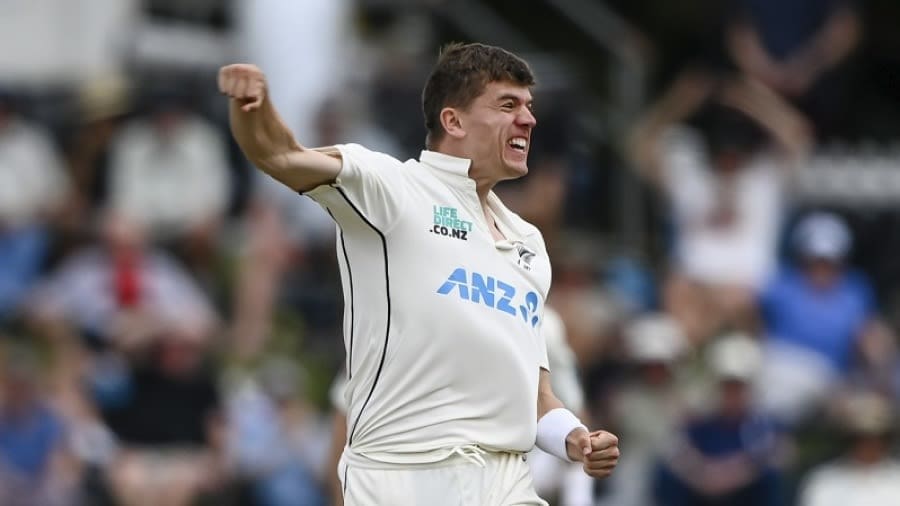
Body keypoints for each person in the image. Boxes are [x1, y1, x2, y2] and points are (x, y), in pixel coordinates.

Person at [219, 42, 619, 505]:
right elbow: (281, 155)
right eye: (508, 105)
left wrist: (575, 438)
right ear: (453, 121)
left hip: (504, 481)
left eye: (529, 107)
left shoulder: (527, 242)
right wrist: (253, 108)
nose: (527, 120)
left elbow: (535, 395)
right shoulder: (393, 187)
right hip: (401, 476)